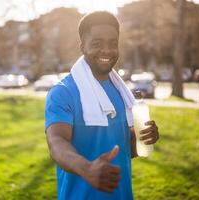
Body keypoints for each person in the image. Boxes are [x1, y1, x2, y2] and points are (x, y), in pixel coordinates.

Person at [45, 11, 159, 200]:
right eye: (97, 44)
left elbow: (123, 151)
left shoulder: (123, 92)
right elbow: (56, 143)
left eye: (112, 44)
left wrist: (144, 138)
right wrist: (86, 168)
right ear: (82, 46)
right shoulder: (63, 92)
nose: (106, 50)